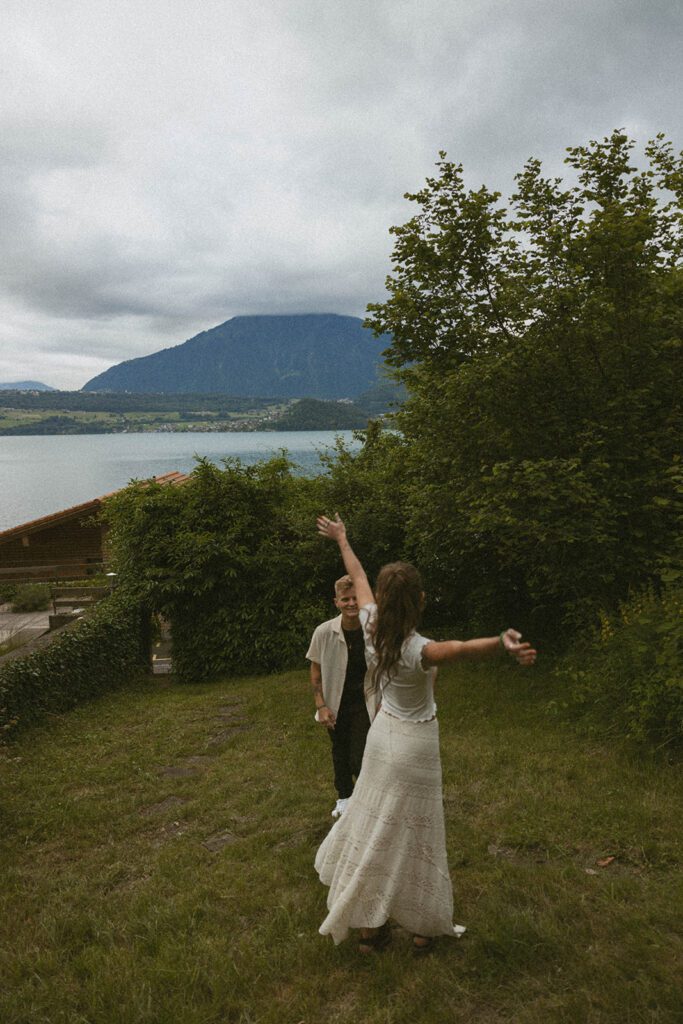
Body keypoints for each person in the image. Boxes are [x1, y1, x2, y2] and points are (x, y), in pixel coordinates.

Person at [314, 513, 537, 955]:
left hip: (382, 741)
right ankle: (422, 929)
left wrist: (342, 537)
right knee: (418, 836)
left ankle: (369, 931)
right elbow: (460, 650)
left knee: (376, 825)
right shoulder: (419, 649)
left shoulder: (371, 623)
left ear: (378, 597)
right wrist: (501, 643)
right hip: (415, 747)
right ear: (420, 599)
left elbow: (355, 571)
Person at [306, 574, 377, 819]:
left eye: (355, 598)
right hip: (335, 702)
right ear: (336, 602)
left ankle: (369, 798)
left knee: (360, 754)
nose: (351, 604)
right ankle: (345, 797)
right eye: (345, 599)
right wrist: (321, 705)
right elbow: (315, 672)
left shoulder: (373, 631)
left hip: (365, 702)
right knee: (339, 749)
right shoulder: (324, 632)